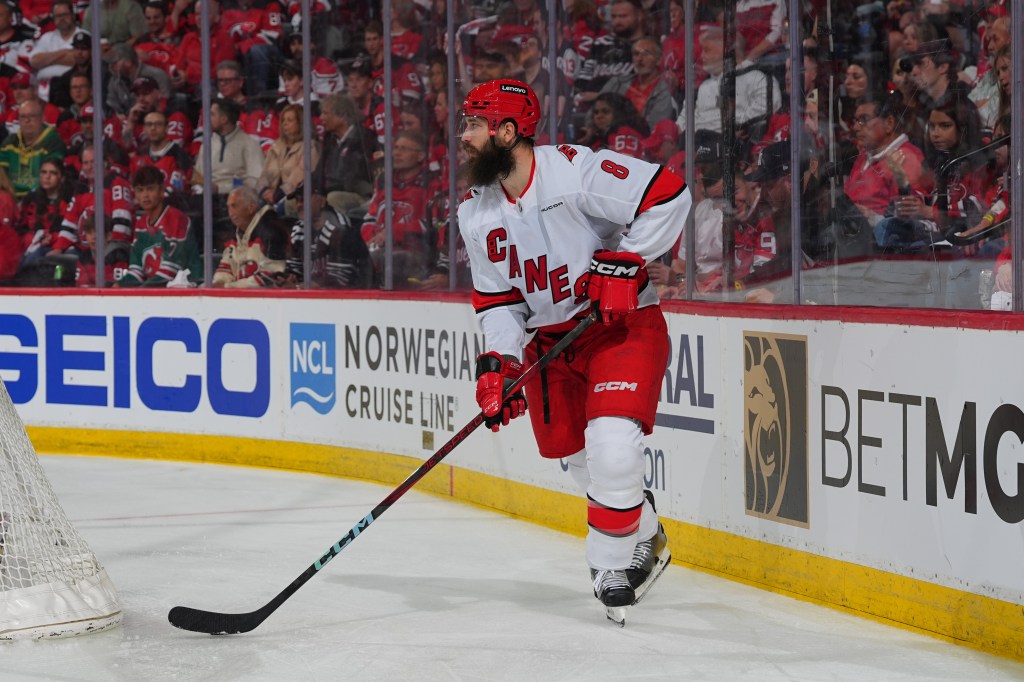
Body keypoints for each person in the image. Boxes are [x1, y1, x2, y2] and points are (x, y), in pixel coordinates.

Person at [458, 79, 690, 617]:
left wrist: (627, 260)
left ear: (507, 130)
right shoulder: (475, 214)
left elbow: (669, 193)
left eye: (474, 124)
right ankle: (646, 533)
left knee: (614, 450)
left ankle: (612, 565)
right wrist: (501, 364)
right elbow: (498, 302)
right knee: (578, 459)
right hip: (549, 345)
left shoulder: (574, 170)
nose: (465, 137)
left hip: (618, 327)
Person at [116, 165, 201, 287]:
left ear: (161, 191)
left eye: (150, 189)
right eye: (140, 190)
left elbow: (170, 271)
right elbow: (136, 271)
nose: (145, 195)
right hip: (154, 291)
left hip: (186, 290)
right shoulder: (140, 224)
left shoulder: (176, 219)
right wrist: (119, 285)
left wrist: (141, 292)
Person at [283, 183, 371, 289]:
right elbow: (294, 270)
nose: (298, 205)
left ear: (322, 202)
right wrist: (288, 279)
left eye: (304, 199)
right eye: (297, 200)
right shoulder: (299, 229)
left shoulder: (340, 230)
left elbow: (337, 282)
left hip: (355, 300)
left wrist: (296, 287)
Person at [212, 186, 288, 287]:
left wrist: (229, 287)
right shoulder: (236, 234)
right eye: (228, 207)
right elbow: (226, 267)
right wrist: (218, 283)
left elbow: (272, 276)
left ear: (251, 207)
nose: (230, 213)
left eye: (234, 206)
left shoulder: (272, 231)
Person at [258, 103, 319, 216]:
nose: (284, 123)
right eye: (283, 120)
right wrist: (264, 190)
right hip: (270, 197)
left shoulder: (310, 146)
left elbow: (299, 176)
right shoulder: (276, 146)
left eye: (290, 120)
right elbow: (265, 174)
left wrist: (278, 194)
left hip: (293, 197)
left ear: (301, 123)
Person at [0, 98, 67, 199]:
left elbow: (52, 180)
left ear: (42, 118)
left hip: (41, 200)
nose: (27, 121)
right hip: (11, 200)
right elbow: (2, 176)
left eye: (32, 116)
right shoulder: (10, 143)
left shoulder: (53, 142)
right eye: (23, 117)